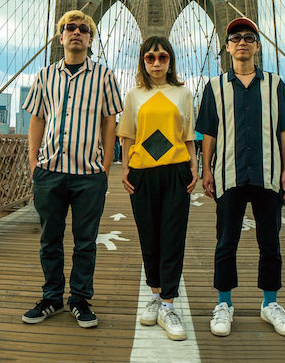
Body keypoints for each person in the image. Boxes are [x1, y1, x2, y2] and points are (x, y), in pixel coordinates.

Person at [195, 17, 285, 338]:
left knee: (270, 242)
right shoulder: (214, 87)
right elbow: (209, 133)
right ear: (227, 47)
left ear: (257, 46)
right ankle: (224, 303)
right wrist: (206, 169)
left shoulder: (276, 85)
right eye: (235, 37)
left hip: (268, 173)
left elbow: (284, 130)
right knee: (226, 242)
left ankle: (270, 303)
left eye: (249, 37)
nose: (242, 41)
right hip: (228, 174)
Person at [21, 10, 123, 328]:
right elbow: (37, 118)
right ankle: (51, 298)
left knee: (85, 241)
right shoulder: (44, 76)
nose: (76, 32)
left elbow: (110, 122)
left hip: (88, 174)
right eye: (70, 28)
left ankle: (79, 299)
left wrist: (105, 166)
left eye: (83, 29)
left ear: (90, 39)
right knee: (49, 239)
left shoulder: (104, 76)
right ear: (61, 36)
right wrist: (33, 161)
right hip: (49, 170)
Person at [117, 36, 197, 341]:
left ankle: (168, 304)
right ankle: (155, 294)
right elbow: (128, 135)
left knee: (172, 236)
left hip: (176, 171)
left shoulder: (183, 94)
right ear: (143, 62)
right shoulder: (134, 95)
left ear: (170, 61)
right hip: (142, 173)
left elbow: (188, 135)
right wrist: (125, 168)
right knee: (148, 235)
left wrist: (194, 166)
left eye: (163, 57)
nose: (156, 63)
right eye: (150, 58)